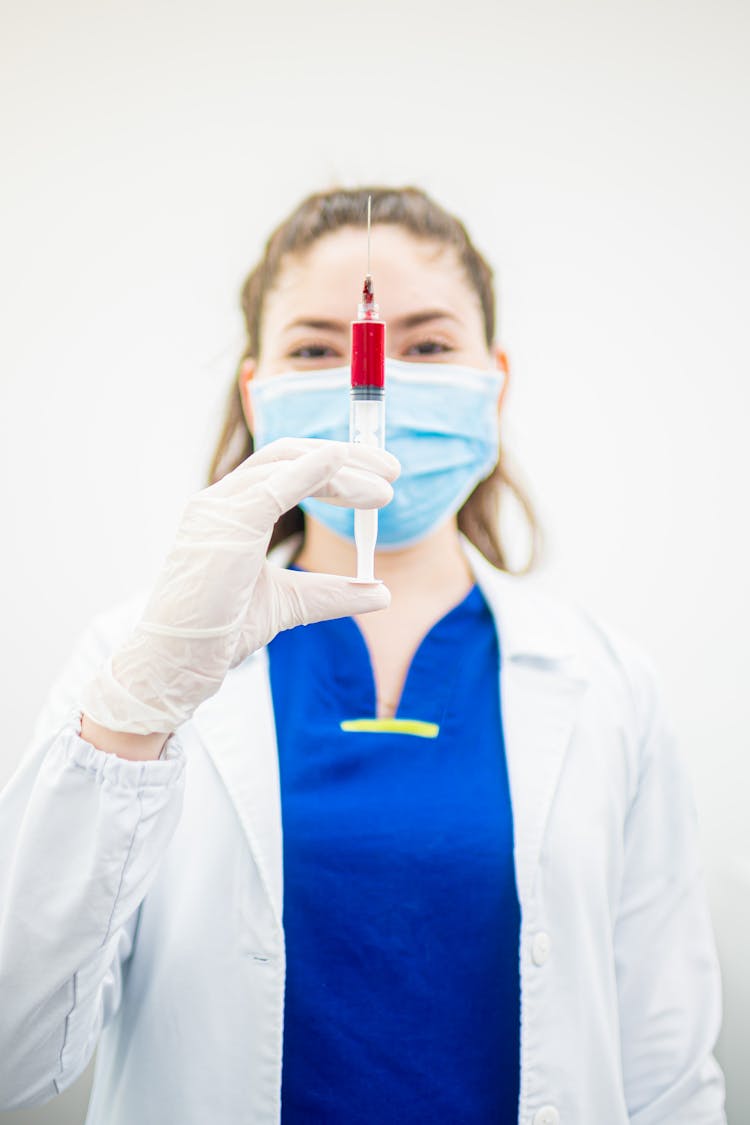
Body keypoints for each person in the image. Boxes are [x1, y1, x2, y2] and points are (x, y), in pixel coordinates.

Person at [0, 186, 726, 1125]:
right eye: (312, 347)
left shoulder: (606, 681)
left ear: (494, 380)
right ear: (256, 390)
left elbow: (669, 1073)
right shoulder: (132, 659)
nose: (367, 375)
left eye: (427, 345)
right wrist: (132, 715)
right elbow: (14, 1052)